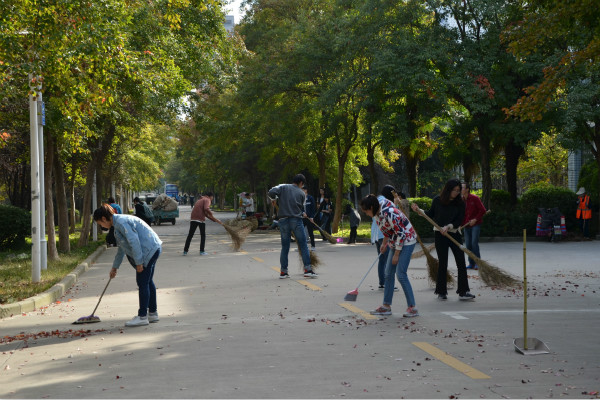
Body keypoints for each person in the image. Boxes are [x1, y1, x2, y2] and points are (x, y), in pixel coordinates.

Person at [93, 204, 162, 327]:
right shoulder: (117, 224)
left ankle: (142, 316)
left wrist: (139, 262)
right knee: (147, 281)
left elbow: (134, 242)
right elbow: (122, 248)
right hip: (153, 248)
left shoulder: (121, 223)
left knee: (142, 282)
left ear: (104, 218)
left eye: (100, 223)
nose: (102, 226)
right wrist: (115, 267)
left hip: (148, 250)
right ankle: (152, 313)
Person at [412, 179, 475, 301]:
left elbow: (459, 220)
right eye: (454, 190)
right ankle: (441, 291)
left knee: (461, 262)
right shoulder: (437, 200)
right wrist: (419, 211)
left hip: (454, 234)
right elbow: (430, 214)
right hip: (440, 234)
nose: (456, 193)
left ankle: (463, 291)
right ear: (448, 189)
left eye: (458, 190)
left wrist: (449, 226)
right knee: (443, 262)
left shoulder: (460, 202)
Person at [361, 194, 419, 317]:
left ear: (371, 207)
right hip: (395, 240)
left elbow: (401, 234)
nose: (366, 214)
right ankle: (386, 306)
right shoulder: (377, 214)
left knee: (401, 274)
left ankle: (413, 307)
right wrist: (384, 243)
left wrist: (396, 254)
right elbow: (387, 230)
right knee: (388, 273)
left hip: (407, 240)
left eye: (366, 211)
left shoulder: (390, 213)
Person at [268, 174, 317, 279]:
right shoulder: (302, 193)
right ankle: (308, 270)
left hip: (283, 220)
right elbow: (300, 208)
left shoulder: (283, 187)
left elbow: (271, 192)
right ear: (301, 183)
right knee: (303, 245)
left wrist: (274, 198)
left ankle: (283, 272)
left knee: (285, 247)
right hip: (296, 220)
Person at [461, 182, 487, 270]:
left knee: (474, 243)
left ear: (467, 189)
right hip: (466, 225)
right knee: (468, 245)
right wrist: (460, 224)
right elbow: (461, 214)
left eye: (462, 187)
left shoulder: (475, 198)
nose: (460, 189)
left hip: (476, 224)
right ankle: (471, 263)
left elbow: (483, 210)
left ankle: (478, 263)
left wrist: (475, 219)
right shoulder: (461, 200)